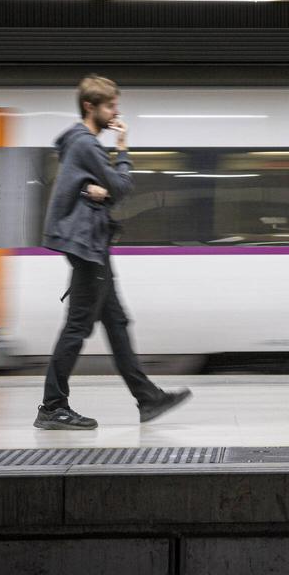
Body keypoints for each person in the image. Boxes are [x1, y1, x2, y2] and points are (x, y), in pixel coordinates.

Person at [36, 75, 191, 430]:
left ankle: (148, 398)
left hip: (93, 247)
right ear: (90, 107)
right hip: (88, 247)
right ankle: (52, 406)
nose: (115, 113)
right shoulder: (86, 144)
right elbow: (121, 187)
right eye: (110, 107)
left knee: (117, 323)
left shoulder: (78, 145)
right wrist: (123, 148)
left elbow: (102, 190)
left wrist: (100, 190)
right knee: (77, 327)